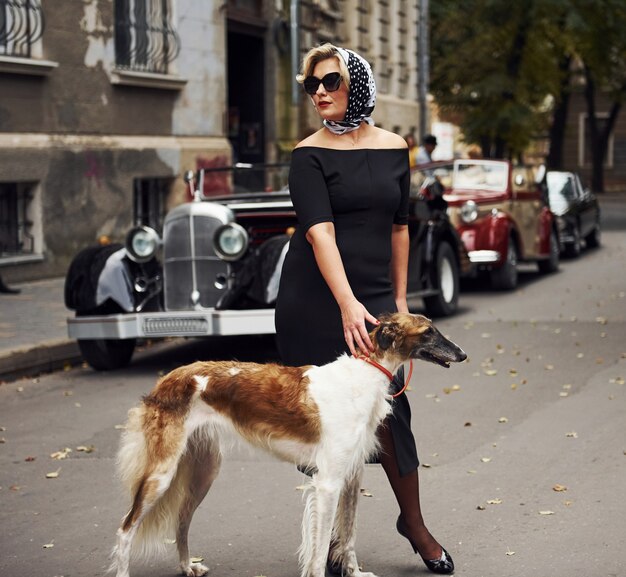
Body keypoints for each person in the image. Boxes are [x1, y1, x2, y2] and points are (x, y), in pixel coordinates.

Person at [275, 43, 454, 575]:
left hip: (375, 296)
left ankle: (415, 525)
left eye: (330, 81)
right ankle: (330, 543)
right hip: (315, 300)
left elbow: (401, 227)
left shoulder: (395, 147)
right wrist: (347, 303)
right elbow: (320, 233)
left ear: (356, 82)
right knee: (326, 425)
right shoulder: (307, 154)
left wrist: (397, 303)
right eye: (312, 87)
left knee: (393, 414)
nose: (321, 94)